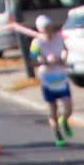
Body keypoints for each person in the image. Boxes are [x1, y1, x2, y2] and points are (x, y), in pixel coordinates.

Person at [29, 14, 73, 146]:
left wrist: (63, 59)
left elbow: (65, 50)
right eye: (44, 28)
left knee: (68, 107)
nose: (47, 30)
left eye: (49, 27)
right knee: (52, 108)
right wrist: (44, 61)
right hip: (47, 78)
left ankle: (63, 119)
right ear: (40, 30)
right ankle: (58, 134)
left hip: (60, 76)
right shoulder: (36, 43)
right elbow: (32, 60)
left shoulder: (58, 38)